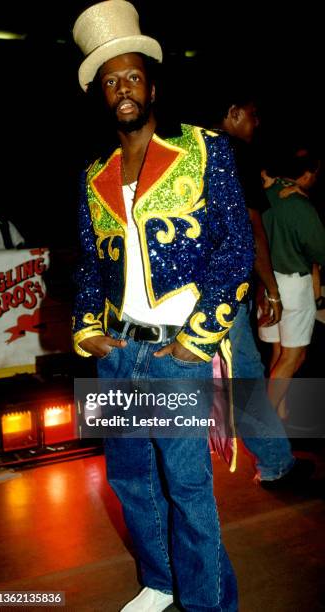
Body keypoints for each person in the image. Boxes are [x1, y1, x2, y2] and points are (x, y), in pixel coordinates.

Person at [72, 1, 254, 610]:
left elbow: (235, 249)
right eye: (109, 82)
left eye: (131, 77)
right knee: (129, 481)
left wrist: (197, 340)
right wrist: (87, 331)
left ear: (151, 85)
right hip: (118, 353)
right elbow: (87, 264)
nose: (122, 89)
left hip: (179, 349)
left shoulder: (204, 151)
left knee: (188, 489)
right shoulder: (93, 175)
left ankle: (207, 602)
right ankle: (159, 580)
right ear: (102, 95)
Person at [205, 90, 313, 489]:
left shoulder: (186, 149)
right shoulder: (234, 153)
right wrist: (270, 288)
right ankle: (275, 463)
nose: (256, 124)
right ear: (232, 114)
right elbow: (251, 229)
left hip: (184, 289)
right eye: (252, 115)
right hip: (223, 291)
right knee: (244, 377)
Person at [259, 150, 325, 419]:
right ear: (307, 175)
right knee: (293, 357)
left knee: (278, 350)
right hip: (294, 288)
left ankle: (281, 413)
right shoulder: (300, 205)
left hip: (267, 286)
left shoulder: (264, 194)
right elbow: (320, 251)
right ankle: (267, 419)